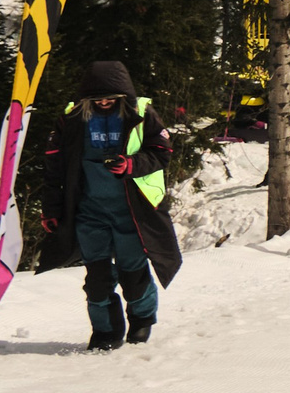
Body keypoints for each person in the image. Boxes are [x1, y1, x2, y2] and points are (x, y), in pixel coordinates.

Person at [36, 60, 184, 351]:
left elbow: (162, 151)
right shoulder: (71, 119)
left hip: (132, 210)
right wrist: (52, 210)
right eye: (96, 99)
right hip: (89, 212)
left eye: (110, 99)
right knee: (97, 278)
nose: (103, 103)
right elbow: (54, 167)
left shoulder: (142, 114)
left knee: (133, 272)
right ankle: (105, 332)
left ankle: (141, 321)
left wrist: (132, 164)